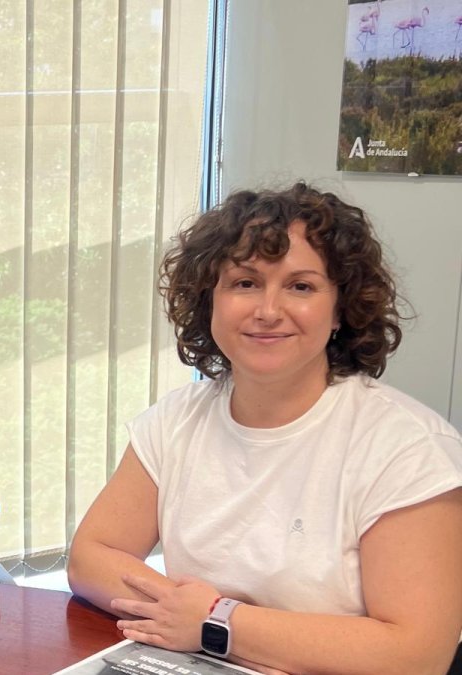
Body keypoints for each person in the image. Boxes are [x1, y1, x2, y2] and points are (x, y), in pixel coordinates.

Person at [67, 183, 462, 674]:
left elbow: (415, 654)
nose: (268, 311)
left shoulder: (408, 449)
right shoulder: (176, 420)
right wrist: (184, 614)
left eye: (301, 287)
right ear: (209, 300)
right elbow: (91, 558)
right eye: (245, 283)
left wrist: (215, 623)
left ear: (340, 309)